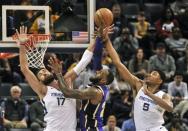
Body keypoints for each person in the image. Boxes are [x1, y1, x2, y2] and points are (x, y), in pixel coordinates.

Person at [16, 26, 97, 131]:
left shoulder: (66, 81)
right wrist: (22, 44)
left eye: (44, 70)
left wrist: (96, 39)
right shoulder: (43, 90)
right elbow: (24, 69)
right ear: (40, 81)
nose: (43, 72)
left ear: (51, 72)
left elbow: (83, 62)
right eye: (40, 74)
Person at [102, 25, 173, 131]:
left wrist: (149, 94)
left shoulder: (163, 95)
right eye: (150, 73)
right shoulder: (139, 85)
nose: (149, 74)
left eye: (154, 74)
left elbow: (170, 108)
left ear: (160, 81)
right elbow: (118, 63)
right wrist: (107, 40)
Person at [48, 48, 114, 131]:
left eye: (100, 73)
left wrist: (58, 73)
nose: (97, 72)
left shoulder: (95, 91)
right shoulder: (95, 89)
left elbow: (67, 93)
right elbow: (80, 106)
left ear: (103, 80)